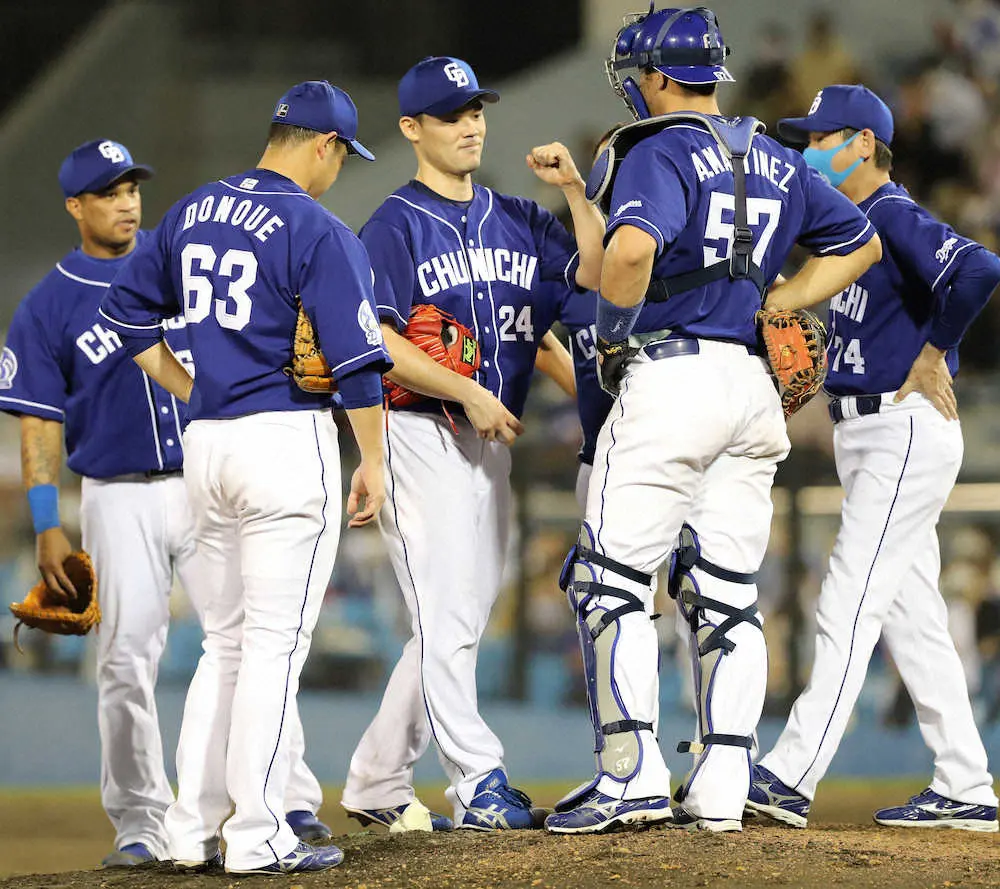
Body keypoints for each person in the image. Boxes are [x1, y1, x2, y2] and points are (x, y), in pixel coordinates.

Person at [543, 6, 881, 835]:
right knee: (727, 594)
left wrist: (613, 324)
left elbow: (628, 255)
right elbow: (861, 242)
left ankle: (630, 776)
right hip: (752, 388)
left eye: (640, 73)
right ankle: (724, 785)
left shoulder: (655, 149)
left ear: (659, 76)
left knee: (610, 580)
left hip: (671, 379)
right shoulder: (774, 154)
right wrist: (786, 298)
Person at [0, 139, 329, 867]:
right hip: (117, 495)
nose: (127, 203)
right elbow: (38, 422)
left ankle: (285, 795)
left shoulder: (186, 253)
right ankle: (140, 822)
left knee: (255, 634)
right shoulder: (47, 304)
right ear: (75, 206)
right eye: (108, 192)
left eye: (132, 188)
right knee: (125, 660)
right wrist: (49, 523)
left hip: (204, 475)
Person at [98, 81, 392, 874]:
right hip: (283, 442)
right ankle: (259, 836)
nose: (338, 170)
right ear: (325, 145)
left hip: (207, 445)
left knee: (225, 645)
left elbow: (125, 314)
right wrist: (374, 459)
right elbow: (359, 365)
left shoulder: (191, 211)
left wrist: (192, 387)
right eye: (342, 156)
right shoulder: (316, 228)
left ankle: (190, 830)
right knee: (271, 648)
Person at [340, 55, 605, 832]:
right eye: (451, 115)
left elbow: (590, 281)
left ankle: (377, 777)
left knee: (457, 618)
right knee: (448, 613)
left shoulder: (519, 217)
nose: (470, 125)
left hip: (490, 444)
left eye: (476, 111)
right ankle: (478, 780)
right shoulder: (394, 225)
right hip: (419, 430)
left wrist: (575, 192)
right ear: (411, 128)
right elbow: (379, 341)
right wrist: (467, 389)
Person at [747, 84, 1000, 833]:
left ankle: (790, 774)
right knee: (913, 620)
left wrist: (933, 352)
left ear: (864, 143)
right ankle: (966, 780)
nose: (808, 151)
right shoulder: (847, 228)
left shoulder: (890, 213)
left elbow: (980, 267)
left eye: (821, 138)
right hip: (868, 432)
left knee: (848, 598)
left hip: (902, 426)